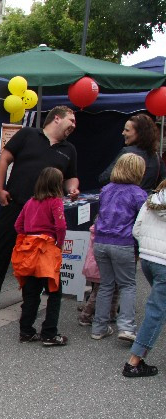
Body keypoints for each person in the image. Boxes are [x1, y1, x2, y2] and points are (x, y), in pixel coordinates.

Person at [0, 105, 79, 309]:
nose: (74, 125)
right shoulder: (27, 134)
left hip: (44, 212)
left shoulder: (69, 149)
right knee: (2, 249)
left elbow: (71, 178)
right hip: (15, 203)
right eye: (71, 120)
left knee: (37, 255)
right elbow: (4, 159)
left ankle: (30, 302)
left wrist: (73, 189)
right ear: (57, 119)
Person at [91, 153, 148, 341]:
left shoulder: (106, 189)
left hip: (100, 242)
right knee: (128, 285)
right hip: (123, 243)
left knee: (106, 285)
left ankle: (98, 327)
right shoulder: (138, 194)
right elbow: (142, 222)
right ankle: (126, 328)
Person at [11, 167, 68, 346]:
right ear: (57, 184)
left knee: (31, 293)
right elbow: (61, 226)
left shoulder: (30, 202)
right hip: (46, 250)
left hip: (28, 250)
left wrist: (28, 237)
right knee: (54, 292)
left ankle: (26, 331)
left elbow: (18, 225)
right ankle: (49, 333)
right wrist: (59, 244)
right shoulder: (55, 202)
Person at [122, 178, 166, 377]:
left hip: (148, 259)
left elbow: (136, 230)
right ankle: (134, 361)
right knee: (156, 311)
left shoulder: (151, 200)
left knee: (160, 307)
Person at [98, 113, 164, 191]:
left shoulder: (127, 152)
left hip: (127, 201)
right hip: (147, 200)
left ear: (140, 133)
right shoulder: (156, 156)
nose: (123, 133)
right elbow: (162, 182)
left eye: (127, 130)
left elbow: (104, 178)